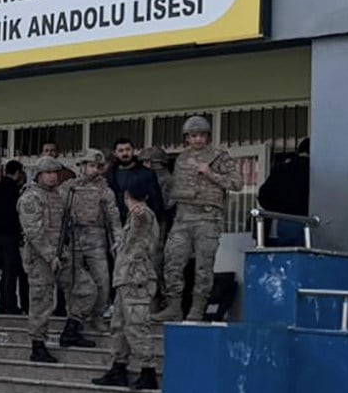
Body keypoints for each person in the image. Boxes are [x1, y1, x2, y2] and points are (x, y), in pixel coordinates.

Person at [160, 115, 241, 322]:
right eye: (193, 136)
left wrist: (210, 173)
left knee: (203, 267)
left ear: (207, 136)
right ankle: (174, 306)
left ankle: (197, 309)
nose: (197, 140)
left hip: (207, 218)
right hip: (183, 217)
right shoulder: (181, 158)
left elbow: (237, 183)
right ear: (187, 138)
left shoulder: (219, 156)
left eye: (201, 135)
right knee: (172, 262)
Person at [93, 183, 162, 391]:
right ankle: (118, 367)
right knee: (119, 325)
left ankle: (148, 371)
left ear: (126, 197)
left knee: (136, 325)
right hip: (125, 279)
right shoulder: (133, 218)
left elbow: (143, 220)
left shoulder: (143, 214)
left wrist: (138, 212)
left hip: (136, 279)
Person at [61, 149, 117, 343]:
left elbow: (113, 218)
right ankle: (74, 316)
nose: (95, 170)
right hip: (74, 236)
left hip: (96, 236)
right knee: (73, 279)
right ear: (82, 166)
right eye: (92, 166)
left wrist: (116, 241)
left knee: (102, 278)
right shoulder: (69, 188)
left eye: (98, 167)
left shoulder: (105, 190)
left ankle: (98, 316)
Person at [18, 156, 69, 363]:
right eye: (48, 173)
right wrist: (50, 255)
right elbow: (34, 232)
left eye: (55, 172)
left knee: (83, 288)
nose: (52, 176)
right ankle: (37, 345)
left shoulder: (57, 196)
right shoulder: (31, 197)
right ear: (39, 175)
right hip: (40, 258)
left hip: (58, 255)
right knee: (41, 301)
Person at [0, 160, 28, 315]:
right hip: (10, 236)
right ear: (18, 173)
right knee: (10, 271)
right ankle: (9, 306)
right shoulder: (15, 191)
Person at [257, 138, 310, 246]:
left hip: (276, 224)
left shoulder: (281, 168)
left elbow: (263, 196)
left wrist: (277, 210)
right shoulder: (313, 170)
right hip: (302, 223)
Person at [107, 137, 164, 226]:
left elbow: (156, 201)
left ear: (133, 150)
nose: (125, 153)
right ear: (115, 153)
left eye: (128, 149)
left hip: (141, 223)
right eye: (121, 151)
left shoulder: (146, 174)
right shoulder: (109, 175)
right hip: (117, 224)